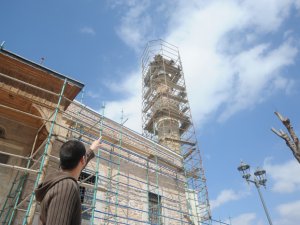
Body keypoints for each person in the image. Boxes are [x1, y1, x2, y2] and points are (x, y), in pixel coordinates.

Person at [35, 137, 102, 225]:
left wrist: (91, 149)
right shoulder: (66, 187)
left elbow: (79, 164)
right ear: (82, 160)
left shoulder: (57, 180)